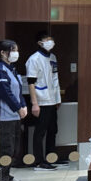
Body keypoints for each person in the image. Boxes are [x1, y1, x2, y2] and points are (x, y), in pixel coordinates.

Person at [25, 30, 63, 170]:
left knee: (53, 129)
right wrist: (34, 104)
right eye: (47, 40)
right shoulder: (34, 59)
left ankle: (50, 157)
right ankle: (39, 161)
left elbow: (55, 78)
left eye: (51, 39)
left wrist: (57, 99)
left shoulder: (53, 57)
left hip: (52, 100)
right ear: (40, 43)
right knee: (40, 131)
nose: (50, 42)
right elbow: (31, 82)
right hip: (41, 100)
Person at [0, 40, 26, 181]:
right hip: (4, 116)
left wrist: (23, 105)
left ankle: (7, 175)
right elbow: (5, 93)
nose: (16, 53)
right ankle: (1, 180)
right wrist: (18, 108)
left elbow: (18, 91)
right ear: (3, 53)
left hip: (14, 116)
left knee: (14, 148)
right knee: (5, 148)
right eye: (13, 50)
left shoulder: (11, 69)